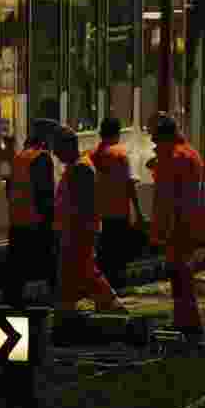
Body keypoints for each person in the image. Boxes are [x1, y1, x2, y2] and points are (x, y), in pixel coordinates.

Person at [52, 126, 128, 315]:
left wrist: (72, 228)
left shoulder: (81, 168)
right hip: (74, 228)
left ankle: (110, 303)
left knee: (83, 269)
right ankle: (67, 308)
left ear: (68, 146)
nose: (55, 153)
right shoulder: (76, 167)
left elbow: (83, 204)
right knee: (72, 270)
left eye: (58, 149)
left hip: (79, 229)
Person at [148, 113, 205, 339]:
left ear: (164, 136)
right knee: (182, 275)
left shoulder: (175, 157)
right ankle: (185, 321)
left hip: (178, 226)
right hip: (186, 223)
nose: (153, 141)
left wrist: (164, 229)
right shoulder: (188, 153)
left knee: (180, 275)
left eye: (155, 137)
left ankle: (187, 323)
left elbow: (169, 197)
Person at [4, 118, 59, 307]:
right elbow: (44, 194)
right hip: (36, 223)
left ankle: (12, 308)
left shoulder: (19, 157)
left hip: (16, 223)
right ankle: (54, 307)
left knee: (16, 272)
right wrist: (51, 222)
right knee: (50, 266)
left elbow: (9, 190)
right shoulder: (42, 158)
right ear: (45, 140)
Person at [91, 117, 146, 290]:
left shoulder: (93, 155)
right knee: (118, 254)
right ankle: (118, 287)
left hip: (98, 213)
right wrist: (137, 210)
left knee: (103, 253)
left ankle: (104, 287)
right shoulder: (120, 154)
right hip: (118, 212)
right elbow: (128, 185)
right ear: (117, 133)